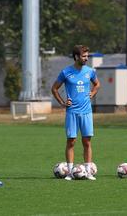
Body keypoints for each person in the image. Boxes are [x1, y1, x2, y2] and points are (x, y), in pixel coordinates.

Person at [51, 45, 100, 181]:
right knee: (71, 141)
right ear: (76, 57)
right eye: (84, 56)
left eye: (87, 56)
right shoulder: (66, 72)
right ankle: (70, 172)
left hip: (86, 112)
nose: (86, 59)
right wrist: (62, 102)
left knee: (87, 142)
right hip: (72, 112)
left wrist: (93, 92)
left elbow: (97, 84)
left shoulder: (90, 71)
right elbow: (54, 89)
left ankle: (89, 171)